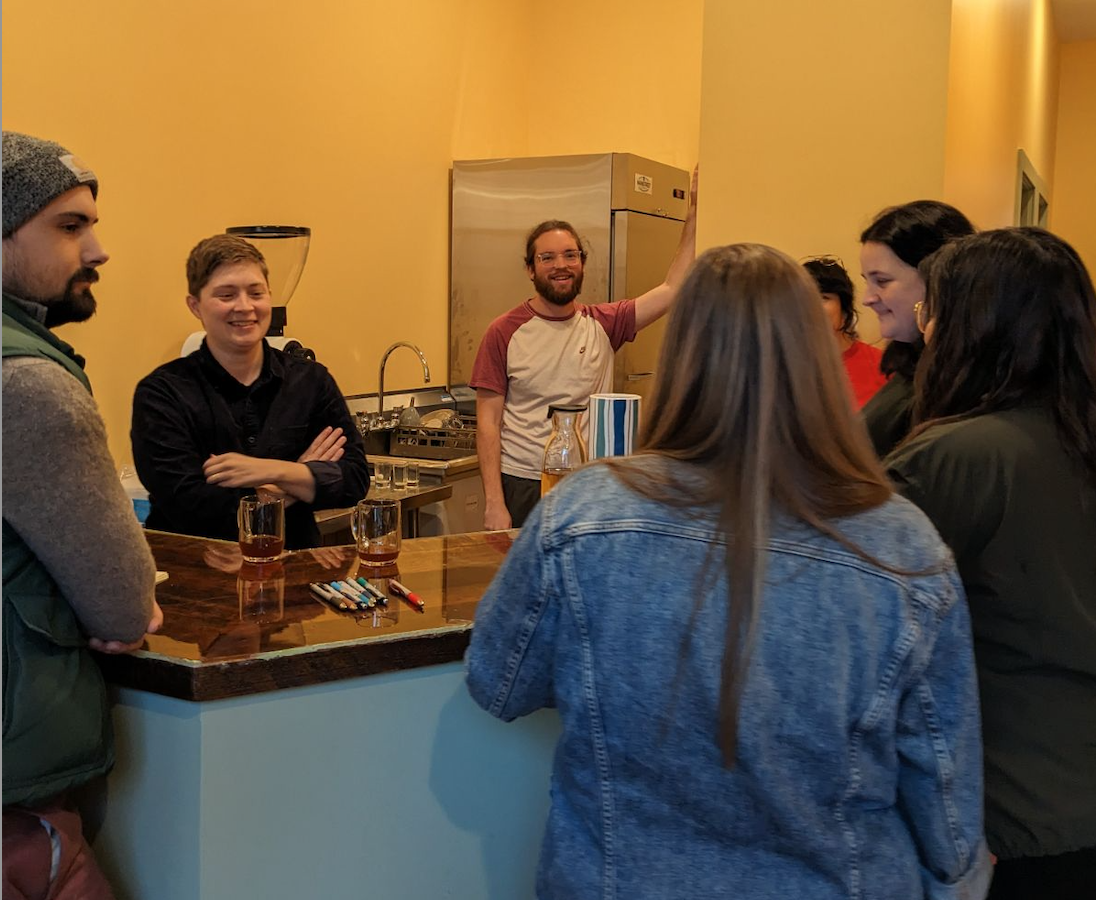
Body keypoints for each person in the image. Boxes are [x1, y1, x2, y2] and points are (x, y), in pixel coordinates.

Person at [466, 243, 991, 899]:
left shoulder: (581, 514)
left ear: (681, 358)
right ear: (816, 356)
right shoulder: (902, 545)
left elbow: (498, 681)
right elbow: (948, 817)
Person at [885, 227, 1096, 899]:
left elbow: (855, 623)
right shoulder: (1072, 435)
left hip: (1004, 816)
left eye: (935, 306)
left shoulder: (953, 459)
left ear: (973, 324)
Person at [2, 131, 162, 899]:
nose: (97, 250)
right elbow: (124, 602)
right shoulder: (28, 384)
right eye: (69, 226)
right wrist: (116, 602)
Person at [471, 169, 698, 530]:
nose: (560, 265)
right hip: (524, 484)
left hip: (587, 482)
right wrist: (494, 504)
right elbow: (488, 424)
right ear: (530, 269)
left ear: (582, 264)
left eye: (570, 255)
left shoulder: (605, 324)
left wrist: (694, 213)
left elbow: (674, 288)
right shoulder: (503, 331)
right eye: (547, 258)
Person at [131, 235, 370, 549]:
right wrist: (299, 475)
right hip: (199, 578)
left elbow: (353, 480)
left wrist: (269, 470)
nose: (244, 307)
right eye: (226, 295)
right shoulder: (162, 394)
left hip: (295, 571)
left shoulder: (311, 381)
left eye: (256, 293)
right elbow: (191, 507)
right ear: (195, 306)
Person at [858, 200, 975, 456]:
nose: (868, 298)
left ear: (937, 279)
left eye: (882, 281)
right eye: (867, 281)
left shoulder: (962, 385)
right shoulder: (910, 363)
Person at [802, 255, 886, 408]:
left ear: (845, 309)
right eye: (804, 298)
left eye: (823, 297)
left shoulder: (881, 366)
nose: (812, 306)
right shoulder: (785, 368)